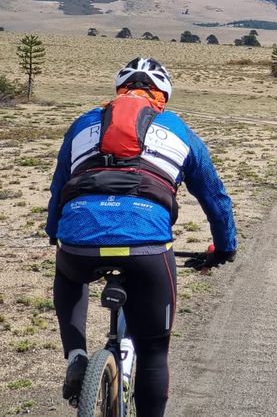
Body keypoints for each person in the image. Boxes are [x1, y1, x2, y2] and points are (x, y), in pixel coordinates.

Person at [46, 57, 237, 417]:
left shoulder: (84, 123)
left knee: (69, 270)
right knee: (153, 353)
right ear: (163, 95)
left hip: (78, 240)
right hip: (146, 246)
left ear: (119, 91)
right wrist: (224, 248)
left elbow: (59, 188)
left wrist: (55, 233)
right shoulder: (180, 130)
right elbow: (215, 198)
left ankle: (76, 355)